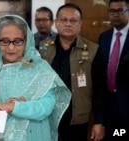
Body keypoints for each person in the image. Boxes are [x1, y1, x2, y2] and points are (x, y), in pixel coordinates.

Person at [0, 15, 71, 141]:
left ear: (26, 41)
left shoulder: (39, 67)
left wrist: (12, 107)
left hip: (33, 134)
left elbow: (46, 106)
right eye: (5, 41)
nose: (11, 48)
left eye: (17, 41)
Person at [39, 3, 104, 141]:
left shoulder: (93, 50)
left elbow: (100, 88)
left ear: (80, 24)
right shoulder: (42, 49)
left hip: (77, 119)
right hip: (47, 116)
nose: (68, 24)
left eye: (73, 20)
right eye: (63, 20)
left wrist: (99, 121)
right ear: (56, 22)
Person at [93, 0, 129, 140]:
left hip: (126, 100)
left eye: (120, 10)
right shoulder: (104, 37)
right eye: (112, 11)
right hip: (108, 102)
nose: (116, 14)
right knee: (111, 136)